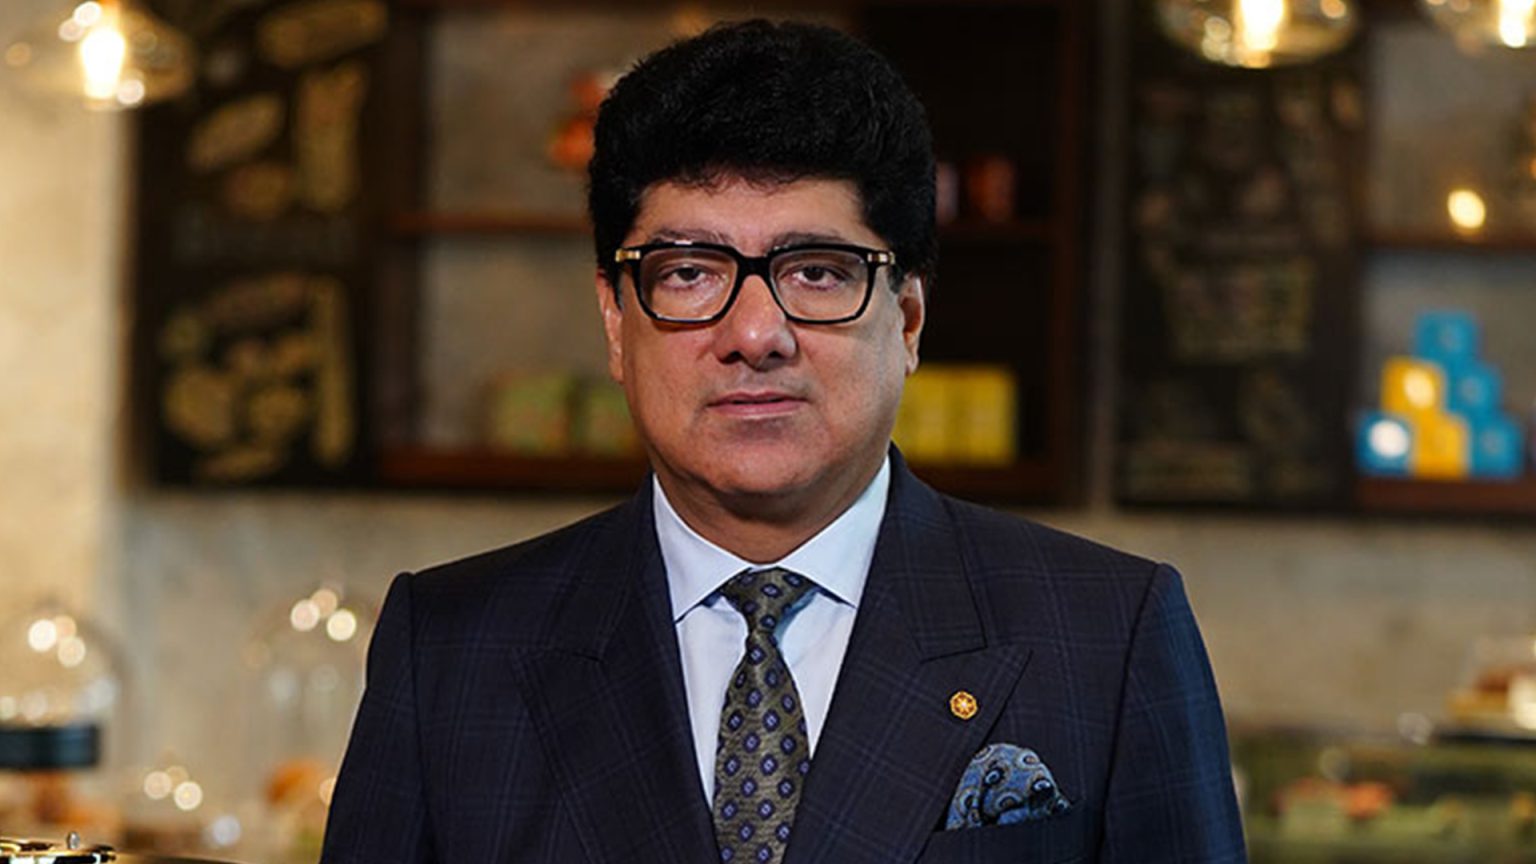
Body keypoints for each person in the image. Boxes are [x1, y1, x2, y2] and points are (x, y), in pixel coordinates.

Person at [320, 19, 1245, 864]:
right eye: (689, 272)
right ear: (614, 320)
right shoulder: (451, 648)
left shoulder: (1107, 634)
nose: (755, 333)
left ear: (908, 318)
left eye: (817, 272)